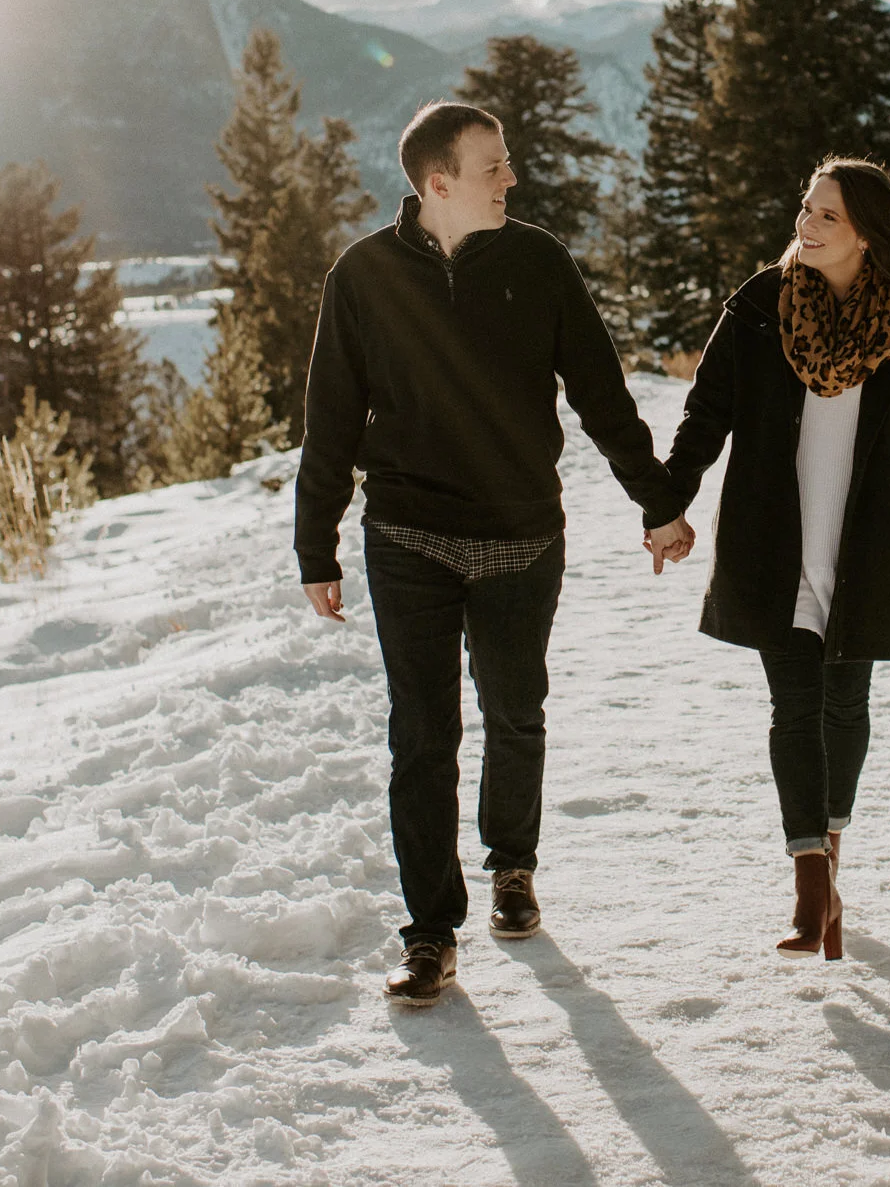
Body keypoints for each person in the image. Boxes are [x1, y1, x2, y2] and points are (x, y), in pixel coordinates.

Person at [296, 100, 696, 1007]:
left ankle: (512, 865)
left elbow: (600, 393)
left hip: (521, 537)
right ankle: (431, 930)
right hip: (406, 536)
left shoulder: (539, 262)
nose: (511, 178)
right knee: (422, 736)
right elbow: (328, 421)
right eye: (493, 166)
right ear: (439, 184)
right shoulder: (361, 276)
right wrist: (315, 545)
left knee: (516, 711)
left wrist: (660, 503)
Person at [663, 158, 890, 960]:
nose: (807, 225)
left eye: (827, 215)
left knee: (845, 707)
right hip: (773, 540)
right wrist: (668, 502)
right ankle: (810, 889)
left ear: (866, 232)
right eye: (805, 208)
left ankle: (831, 847)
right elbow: (705, 413)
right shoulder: (760, 306)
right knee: (795, 707)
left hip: (869, 545)